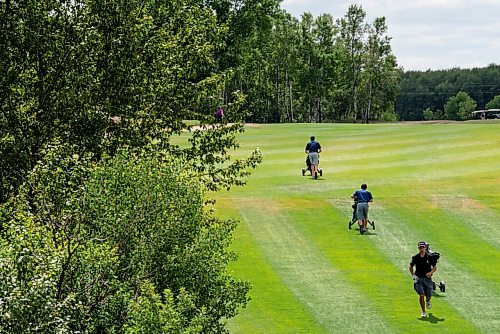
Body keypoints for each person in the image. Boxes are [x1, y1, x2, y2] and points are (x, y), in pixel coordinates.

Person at [409, 241, 438, 318]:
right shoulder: (415, 257)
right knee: (421, 295)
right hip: (418, 279)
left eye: (423, 247)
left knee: (428, 295)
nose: (422, 249)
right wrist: (413, 275)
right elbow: (411, 266)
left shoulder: (430, 257)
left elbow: (435, 267)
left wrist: (431, 272)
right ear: (418, 248)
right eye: (420, 248)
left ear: (425, 248)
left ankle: (428, 300)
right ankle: (423, 311)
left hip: (427, 279)